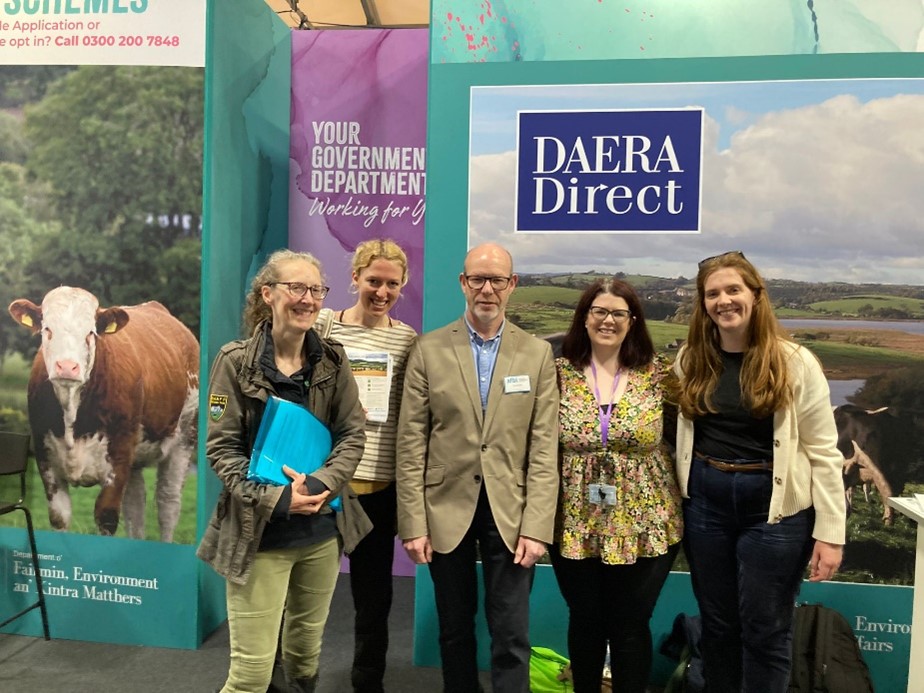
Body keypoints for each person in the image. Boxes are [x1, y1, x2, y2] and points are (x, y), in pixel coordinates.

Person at [197, 249, 369, 693]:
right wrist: (280, 499)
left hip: (322, 534)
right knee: (251, 677)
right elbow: (222, 451)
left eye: (315, 289)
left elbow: (352, 434)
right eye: (296, 288)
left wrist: (320, 484)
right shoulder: (235, 362)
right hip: (260, 536)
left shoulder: (333, 358)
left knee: (304, 658)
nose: (308, 299)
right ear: (268, 294)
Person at [674, 250, 846, 693]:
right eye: (713, 293)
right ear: (703, 303)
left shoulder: (795, 362)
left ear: (756, 295)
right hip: (706, 506)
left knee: (766, 629)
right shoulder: (691, 360)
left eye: (734, 289)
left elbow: (824, 451)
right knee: (717, 626)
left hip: (774, 512)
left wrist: (831, 533)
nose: (723, 300)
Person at [396, 242, 560, 693]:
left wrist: (538, 526)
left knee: (511, 633)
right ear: (463, 283)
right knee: (454, 628)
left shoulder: (536, 354)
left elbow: (544, 448)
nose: (487, 290)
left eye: (497, 280)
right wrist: (412, 522)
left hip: (512, 511)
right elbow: (411, 443)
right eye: (477, 279)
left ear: (513, 285)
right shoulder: (429, 350)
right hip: (444, 506)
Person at [549, 278, 683, 693]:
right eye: (599, 311)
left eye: (618, 313)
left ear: (633, 320)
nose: (608, 320)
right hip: (573, 519)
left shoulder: (660, 374)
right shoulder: (557, 374)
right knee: (585, 619)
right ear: (584, 317)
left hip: (647, 519)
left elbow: (690, 433)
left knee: (630, 623)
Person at [313, 239, 417, 693]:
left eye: (392, 284)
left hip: (379, 489)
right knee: (307, 593)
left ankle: (367, 682)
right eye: (373, 281)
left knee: (374, 599)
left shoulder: (407, 339)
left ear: (403, 285)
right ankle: (293, 678)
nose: (381, 291)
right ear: (354, 278)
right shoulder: (321, 326)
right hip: (325, 486)